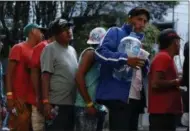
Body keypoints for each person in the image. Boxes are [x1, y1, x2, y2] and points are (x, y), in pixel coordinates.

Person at [94, 7, 150, 130]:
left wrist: (145, 64)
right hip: (118, 96)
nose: (142, 23)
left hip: (135, 98)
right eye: (139, 19)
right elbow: (100, 53)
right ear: (129, 18)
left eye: (145, 21)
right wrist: (125, 59)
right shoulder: (116, 32)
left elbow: (142, 71)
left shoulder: (140, 42)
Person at [41, 18, 77, 131]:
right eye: (64, 29)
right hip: (55, 104)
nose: (68, 31)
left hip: (71, 104)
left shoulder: (72, 50)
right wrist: (46, 102)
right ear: (55, 34)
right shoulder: (49, 49)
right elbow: (45, 77)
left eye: (69, 28)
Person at [6, 23, 44, 131]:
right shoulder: (18, 48)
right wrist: (9, 96)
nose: (42, 34)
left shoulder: (39, 50)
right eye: (40, 31)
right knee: (19, 127)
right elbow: (9, 73)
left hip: (33, 99)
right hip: (19, 99)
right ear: (32, 31)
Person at [148, 29, 183, 131]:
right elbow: (155, 83)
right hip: (161, 115)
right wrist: (176, 81)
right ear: (175, 42)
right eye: (179, 42)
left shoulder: (167, 58)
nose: (179, 45)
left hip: (166, 114)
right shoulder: (163, 57)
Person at [75, 27, 107, 131]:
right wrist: (89, 103)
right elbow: (78, 77)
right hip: (86, 107)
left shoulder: (99, 55)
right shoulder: (90, 53)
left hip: (96, 107)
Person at [30, 21, 55, 131]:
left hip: (55, 98)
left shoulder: (60, 48)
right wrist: (39, 97)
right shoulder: (42, 46)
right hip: (43, 98)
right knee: (40, 126)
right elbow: (35, 72)